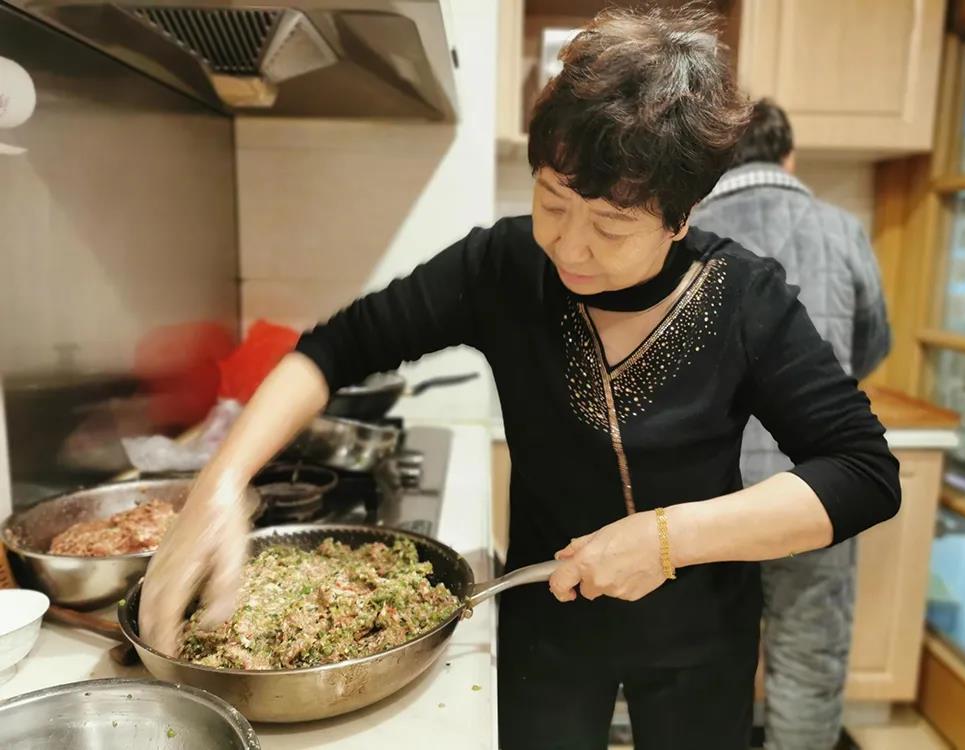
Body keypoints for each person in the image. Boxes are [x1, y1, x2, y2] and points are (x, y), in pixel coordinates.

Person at [139, 8, 900, 749]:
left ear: (680, 218)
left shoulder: (743, 298)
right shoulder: (504, 267)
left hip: (699, 635)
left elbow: (863, 472)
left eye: (611, 226)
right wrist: (219, 484)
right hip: (546, 620)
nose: (570, 246)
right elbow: (336, 348)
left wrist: (667, 540)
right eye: (551, 201)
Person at [691, 99, 891, 750]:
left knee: (695, 658)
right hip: (817, 488)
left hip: (705, 499)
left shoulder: (686, 230)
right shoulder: (841, 229)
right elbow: (870, 344)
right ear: (790, 157)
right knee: (809, 655)